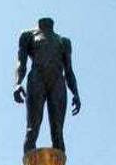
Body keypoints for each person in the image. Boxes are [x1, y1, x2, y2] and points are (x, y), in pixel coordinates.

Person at [14, 17, 81, 152]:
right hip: (37, 79)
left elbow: (69, 71)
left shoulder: (64, 41)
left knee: (58, 135)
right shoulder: (27, 35)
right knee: (32, 130)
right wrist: (17, 83)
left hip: (57, 83)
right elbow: (21, 63)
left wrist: (75, 93)